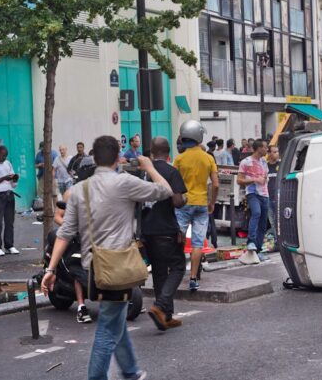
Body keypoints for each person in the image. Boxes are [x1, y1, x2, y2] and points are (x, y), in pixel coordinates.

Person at [42, 135, 172, 380]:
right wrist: (150, 167)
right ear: (116, 157)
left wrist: (50, 270)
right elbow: (165, 191)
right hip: (118, 266)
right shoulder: (125, 182)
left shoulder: (79, 190)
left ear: (94, 156)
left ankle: (131, 372)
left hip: (94, 267)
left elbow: (65, 233)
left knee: (116, 319)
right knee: (107, 328)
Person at [143, 137, 188, 331]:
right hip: (166, 229)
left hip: (147, 229)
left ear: (151, 152)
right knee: (178, 267)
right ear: (169, 152)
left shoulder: (144, 173)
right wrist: (184, 199)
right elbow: (177, 201)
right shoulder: (171, 171)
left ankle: (165, 316)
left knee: (159, 271)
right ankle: (160, 306)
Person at [174, 120, 219, 291]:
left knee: (178, 238)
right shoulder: (208, 158)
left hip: (184, 204)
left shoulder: (179, 159)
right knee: (198, 243)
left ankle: (175, 272)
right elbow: (215, 184)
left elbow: (174, 183)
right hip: (201, 204)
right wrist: (212, 202)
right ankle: (193, 278)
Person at [54, 185, 92, 323]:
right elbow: (58, 216)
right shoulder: (70, 193)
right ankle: (81, 307)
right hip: (76, 237)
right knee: (78, 266)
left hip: (96, 237)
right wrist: (72, 228)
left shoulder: (101, 190)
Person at [237, 139, 270, 261]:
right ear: (259, 148)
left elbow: (265, 176)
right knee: (256, 213)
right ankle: (251, 241)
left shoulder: (263, 161)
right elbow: (239, 181)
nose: (267, 150)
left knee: (263, 223)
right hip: (252, 193)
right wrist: (255, 180)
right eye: (265, 147)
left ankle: (258, 250)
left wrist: (264, 179)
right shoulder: (246, 162)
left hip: (265, 194)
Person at [0, 146, 20, 257]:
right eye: (2, 156)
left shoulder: (8, 163)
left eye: (5, 156)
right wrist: (4, 178)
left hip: (9, 194)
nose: (4, 158)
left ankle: (9, 246)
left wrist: (14, 179)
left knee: (9, 222)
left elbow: (12, 180)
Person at [35, 141, 58, 211]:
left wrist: (48, 165)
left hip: (52, 176)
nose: (42, 150)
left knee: (54, 193)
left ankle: (56, 210)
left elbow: (56, 165)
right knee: (42, 194)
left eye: (43, 148)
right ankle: (47, 210)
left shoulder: (54, 153)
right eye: (41, 148)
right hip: (42, 176)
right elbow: (35, 165)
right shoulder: (38, 154)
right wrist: (39, 165)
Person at [266, 145, 281, 238]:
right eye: (274, 152)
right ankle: (277, 242)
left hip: (279, 198)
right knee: (273, 222)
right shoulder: (265, 167)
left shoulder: (282, 165)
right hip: (268, 198)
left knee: (280, 222)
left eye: (277, 152)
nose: (277, 154)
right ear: (269, 153)